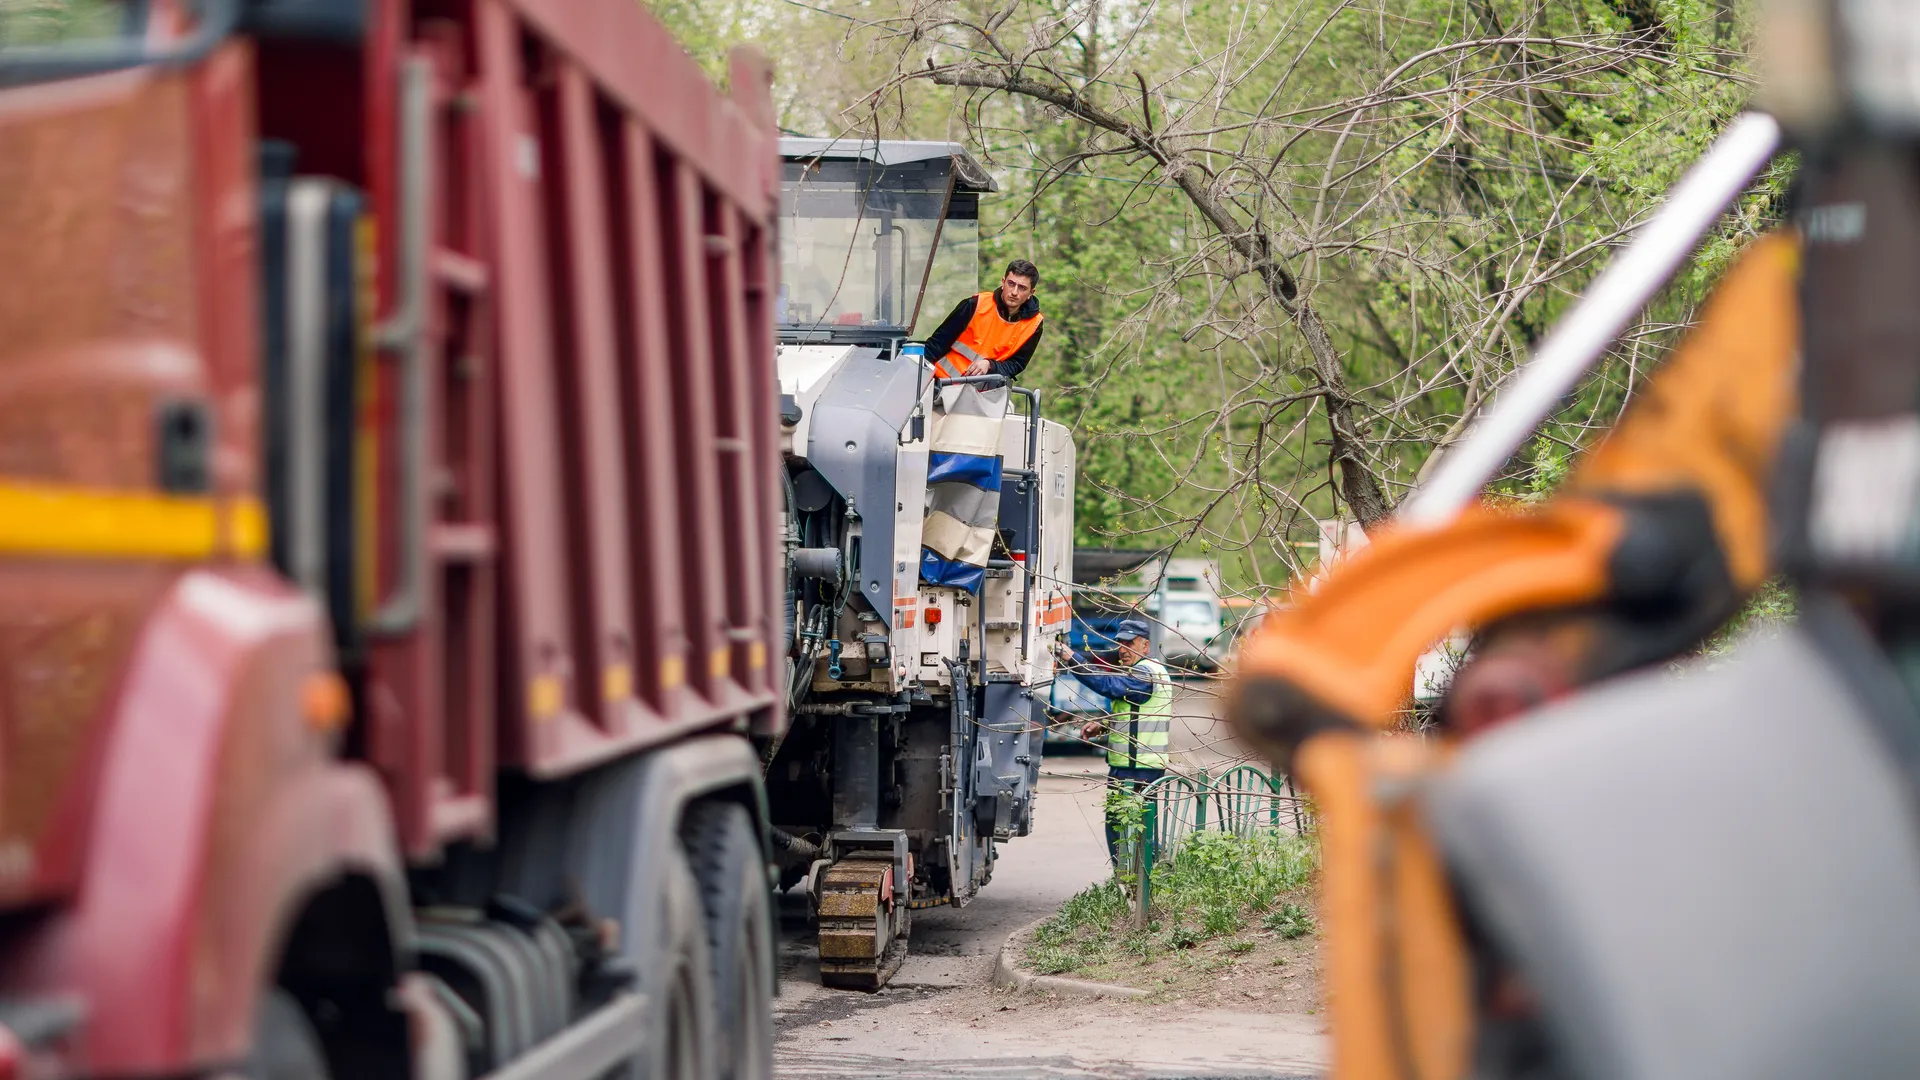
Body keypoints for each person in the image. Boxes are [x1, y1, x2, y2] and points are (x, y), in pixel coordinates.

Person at [1057, 620, 1173, 865]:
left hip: (1137, 768)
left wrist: (1072, 659)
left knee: (1126, 830)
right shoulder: (1147, 672)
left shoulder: (1145, 673)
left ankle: (1140, 885)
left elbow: (1107, 686)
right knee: (1133, 829)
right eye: (1120, 643)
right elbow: (1138, 712)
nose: (1123, 649)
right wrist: (1106, 723)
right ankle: (1141, 884)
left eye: (1129, 643)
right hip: (1135, 766)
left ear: (1145, 646)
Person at [921, 259, 1045, 381]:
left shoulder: (1034, 325)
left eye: (1022, 288)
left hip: (984, 394)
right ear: (1003, 282)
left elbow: (1016, 364)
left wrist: (989, 365)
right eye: (1011, 284)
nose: (1014, 292)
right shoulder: (975, 305)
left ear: (1031, 293)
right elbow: (937, 344)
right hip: (942, 381)